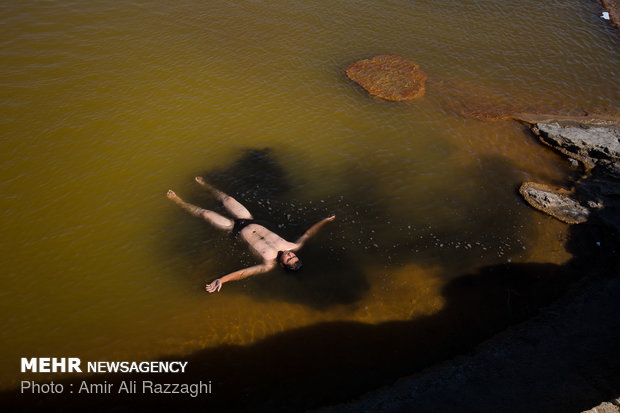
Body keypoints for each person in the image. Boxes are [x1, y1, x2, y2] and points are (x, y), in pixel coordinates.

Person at [167, 177, 336, 293]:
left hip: (233, 228)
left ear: (284, 265)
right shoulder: (294, 246)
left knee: (206, 214)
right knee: (228, 199)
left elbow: (244, 273)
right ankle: (205, 185)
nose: (290, 255)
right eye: (293, 256)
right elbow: (308, 233)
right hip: (247, 220)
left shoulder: (267, 264)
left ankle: (178, 201)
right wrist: (324, 220)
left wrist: (222, 280)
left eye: (289, 259)